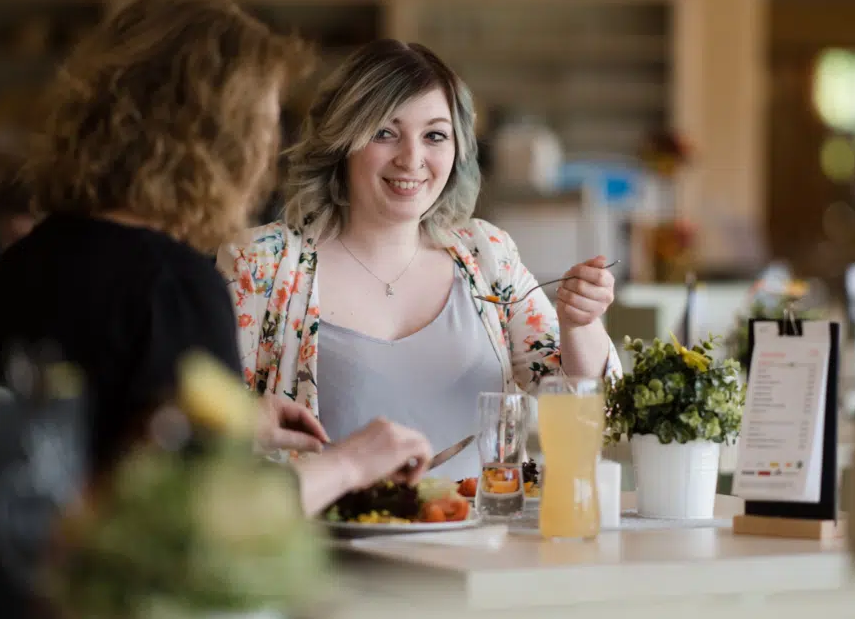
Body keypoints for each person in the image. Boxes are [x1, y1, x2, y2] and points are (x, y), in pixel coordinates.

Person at [0, 0, 432, 507]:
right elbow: (213, 519)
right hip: (121, 587)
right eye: (266, 123)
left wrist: (233, 425)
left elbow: (100, 447)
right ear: (223, 137)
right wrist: (349, 463)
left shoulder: (19, 267)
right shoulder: (173, 286)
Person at [218, 39, 623, 481]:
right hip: (322, 545)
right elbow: (197, 430)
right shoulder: (261, 265)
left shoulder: (487, 255)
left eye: (434, 135)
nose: (412, 159)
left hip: (477, 542)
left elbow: (584, 411)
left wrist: (579, 324)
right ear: (342, 142)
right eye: (384, 133)